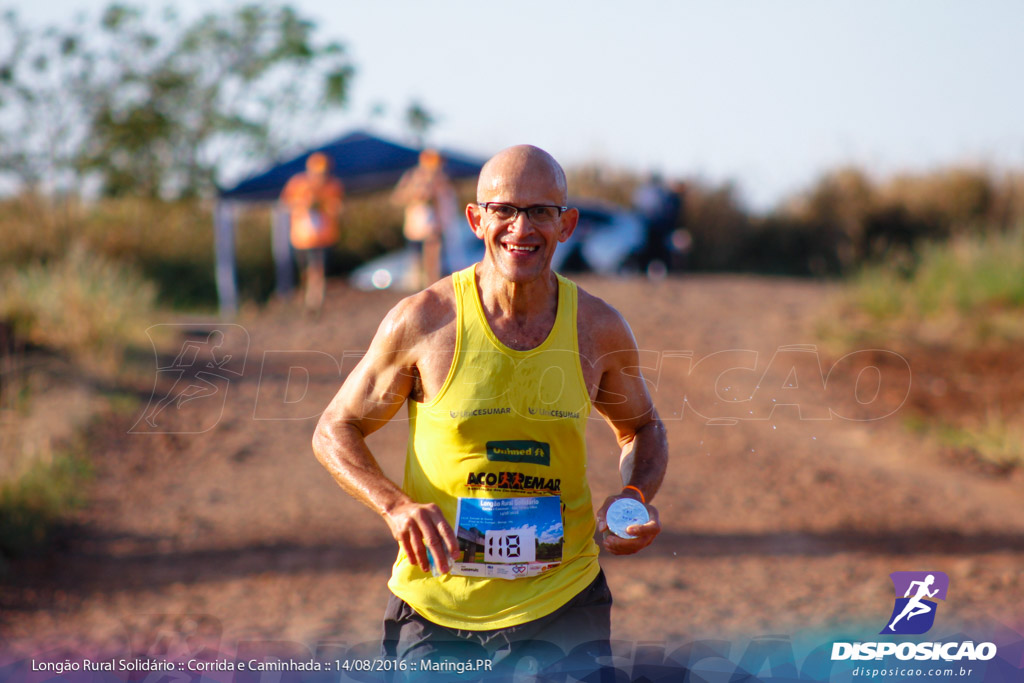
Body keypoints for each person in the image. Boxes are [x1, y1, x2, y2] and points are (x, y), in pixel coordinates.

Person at [313, 145, 667, 677]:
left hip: (563, 600)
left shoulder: (598, 327)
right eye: (504, 210)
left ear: (566, 223)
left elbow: (641, 427)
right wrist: (395, 507)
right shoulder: (424, 322)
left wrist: (634, 497)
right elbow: (334, 428)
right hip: (438, 608)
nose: (520, 229)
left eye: (540, 212)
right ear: (477, 219)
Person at [280, 152, 344, 313]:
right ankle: (309, 297)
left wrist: (328, 207)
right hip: (302, 238)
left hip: (324, 238)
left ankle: (315, 302)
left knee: (318, 270)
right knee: (308, 272)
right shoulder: (298, 184)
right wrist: (303, 204)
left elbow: (338, 207)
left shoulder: (333, 186)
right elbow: (284, 204)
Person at [392, 149, 457, 288]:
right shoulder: (412, 177)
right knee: (416, 266)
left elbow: (445, 204)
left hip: (434, 228)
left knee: (433, 265)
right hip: (415, 228)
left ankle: (431, 290)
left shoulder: (442, 179)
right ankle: (418, 293)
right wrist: (415, 194)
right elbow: (397, 198)